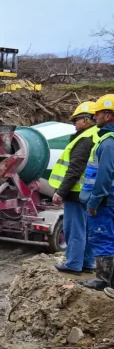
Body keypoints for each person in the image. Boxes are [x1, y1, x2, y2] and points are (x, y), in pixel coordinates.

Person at [49, 101, 100, 274]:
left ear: (85, 120)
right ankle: (87, 262)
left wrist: (60, 192)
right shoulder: (98, 136)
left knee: (74, 229)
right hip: (89, 192)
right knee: (86, 228)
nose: (74, 124)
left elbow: (75, 169)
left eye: (75, 120)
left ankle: (73, 264)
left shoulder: (85, 139)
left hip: (76, 193)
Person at [80, 94, 114, 290]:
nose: (95, 117)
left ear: (108, 115)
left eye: (98, 113)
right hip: (109, 199)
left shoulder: (108, 143)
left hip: (105, 201)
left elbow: (104, 175)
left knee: (102, 238)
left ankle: (103, 280)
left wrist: (94, 202)